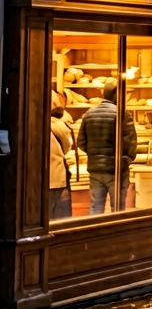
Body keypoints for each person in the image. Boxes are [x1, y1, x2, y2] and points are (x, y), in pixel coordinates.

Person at [79, 81, 137, 215]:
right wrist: (126, 160)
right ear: (117, 95)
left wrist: (95, 155)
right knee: (117, 210)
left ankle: (95, 235)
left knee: (95, 208)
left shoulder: (89, 113)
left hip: (95, 170)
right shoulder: (122, 114)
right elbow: (131, 144)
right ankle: (116, 236)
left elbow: (81, 141)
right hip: (116, 170)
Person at [49, 94, 75, 219]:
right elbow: (67, 147)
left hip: (36, 179)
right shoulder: (60, 125)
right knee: (60, 216)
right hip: (57, 178)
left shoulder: (31, 124)